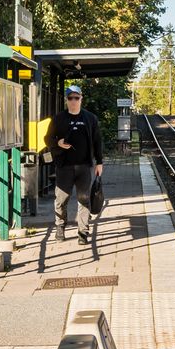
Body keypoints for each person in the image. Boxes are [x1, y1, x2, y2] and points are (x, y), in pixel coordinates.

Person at [46, 85, 104, 243]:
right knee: (61, 200)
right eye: (70, 98)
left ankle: (83, 232)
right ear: (66, 100)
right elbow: (47, 138)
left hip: (84, 166)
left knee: (84, 198)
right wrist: (57, 142)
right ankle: (60, 226)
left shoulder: (90, 118)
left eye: (76, 98)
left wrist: (99, 162)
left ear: (81, 99)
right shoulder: (58, 119)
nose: (73, 101)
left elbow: (98, 141)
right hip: (64, 166)